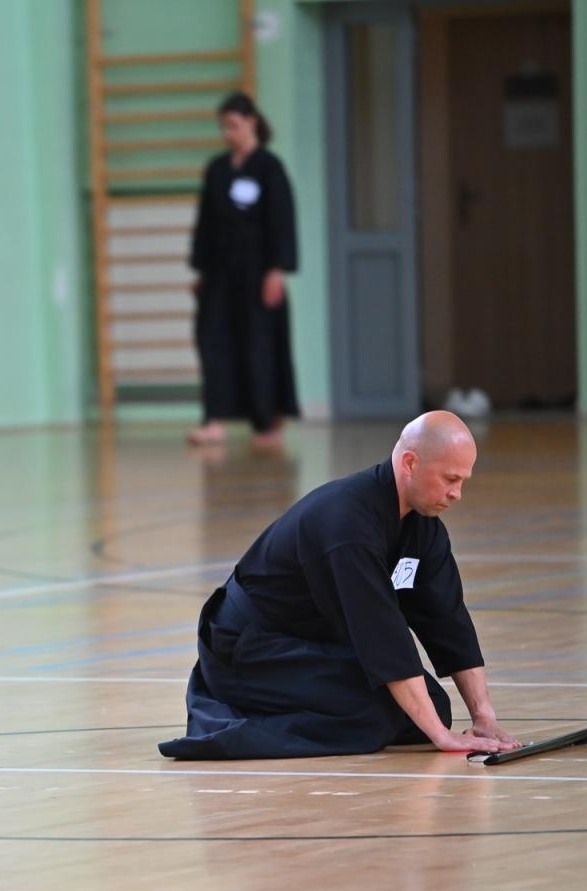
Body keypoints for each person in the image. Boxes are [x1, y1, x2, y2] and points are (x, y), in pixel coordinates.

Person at [159, 412, 522, 760]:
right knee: (382, 714)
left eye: (462, 481)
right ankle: (238, 722)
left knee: (431, 708)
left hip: (309, 644)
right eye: (450, 479)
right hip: (249, 648)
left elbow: (448, 620)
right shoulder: (348, 524)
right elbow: (381, 634)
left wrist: (484, 718)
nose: (457, 493)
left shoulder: (424, 527)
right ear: (410, 463)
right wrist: (442, 739)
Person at [187, 92, 300, 450]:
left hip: (258, 275)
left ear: (252, 122)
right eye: (224, 127)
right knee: (213, 342)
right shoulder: (218, 169)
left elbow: (282, 221)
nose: (228, 133)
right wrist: (202, 271)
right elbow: (205, 223)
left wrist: (277, 271)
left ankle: (268, 421)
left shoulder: (269, 168)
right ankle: (214, 420)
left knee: (259, 346)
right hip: (221, 274)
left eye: (234, 125)